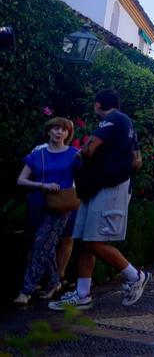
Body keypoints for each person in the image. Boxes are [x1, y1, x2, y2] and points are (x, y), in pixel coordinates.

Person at [50, 90, 151, 310]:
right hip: (104, 187)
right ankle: (83, 294)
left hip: (107, 187)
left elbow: (88, 150)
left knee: (93, 241)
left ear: (97, 105)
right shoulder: (128, 125)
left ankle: (135, 276)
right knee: (86, 240)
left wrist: (77, 158)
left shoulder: (111, 119)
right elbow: (137, 162)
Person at [14, 118, 81, 305]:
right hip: (38, 203)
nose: (60, 132)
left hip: (62, 206)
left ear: (68, 134)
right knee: (44, 244)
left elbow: (87, 175)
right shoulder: (38, 154)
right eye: (56, 128)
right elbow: (21, 180)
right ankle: (54, 282)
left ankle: (25, 291)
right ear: (49, 131)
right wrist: (41, 185)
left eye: (64, 130)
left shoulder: (74, 154)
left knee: (42, 242)